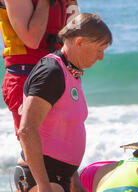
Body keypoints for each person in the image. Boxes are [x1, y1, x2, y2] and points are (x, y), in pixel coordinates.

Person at [15, 13, 112, 192]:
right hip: (42, 175)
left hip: (61, 177)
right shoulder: (51, 71)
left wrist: (74, 178)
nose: (101, 57)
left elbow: (64, 132)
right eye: (99, 49)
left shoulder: (71, 73)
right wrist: (42, 187)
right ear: (79, 42)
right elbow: (26, 130)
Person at [0, 0, 79, 137]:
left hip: (59, 72)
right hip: (26, 75)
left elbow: (75, 33)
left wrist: (72, 5)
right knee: (33, 147)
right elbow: (32, 39)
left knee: (63, 144)